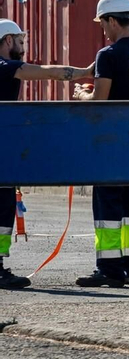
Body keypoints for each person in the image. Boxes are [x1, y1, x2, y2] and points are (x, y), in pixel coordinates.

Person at [77, 0, 129, 288]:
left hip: (111, 143)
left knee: (108, 205)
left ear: (112, 20)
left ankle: (109, 269)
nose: (103, 30)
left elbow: (100, 101)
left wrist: (82, 95)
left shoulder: (107, 55)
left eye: (103, 24)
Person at [0, 19, 87, 289]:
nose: (23, 46)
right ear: (7, 41)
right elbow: (48, 73)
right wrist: (86, 71)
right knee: (2, 209)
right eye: (20, 40)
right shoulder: (7, 67)